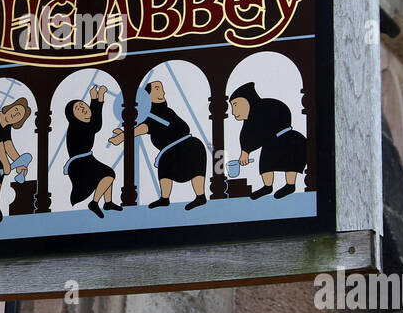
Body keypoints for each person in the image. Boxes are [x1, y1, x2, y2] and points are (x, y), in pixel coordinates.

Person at [109, 80, 208, 210]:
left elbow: (142, 128)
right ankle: (164, 198)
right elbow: (142, 128)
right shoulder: (151, 115)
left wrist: (122, 136)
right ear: (147, 95)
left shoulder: (164, 112)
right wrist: (123, 135)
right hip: (170, 152)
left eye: (161, 88)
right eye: (157, 88)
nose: (162, 92)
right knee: (165, 170)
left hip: (190, 146)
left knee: (195, 170)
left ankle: (200, 196)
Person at [229, 81, 306, 199]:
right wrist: (245, 151)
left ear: (248, 101)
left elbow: (261, 134)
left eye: (235, 105)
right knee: (266, 163)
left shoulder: (266, 108)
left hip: (289, 139)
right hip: (270, 145)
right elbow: (247, 135)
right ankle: (267, 186)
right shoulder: (249, 120)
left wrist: (247, 151)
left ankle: (290, 185)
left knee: (291, 161)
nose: (234, 112)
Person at [63, 85, 121, 218]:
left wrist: (96, 98)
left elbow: (94, 123)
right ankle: (94, 203)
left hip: (86, 160)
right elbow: (95, 125)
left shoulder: (83, 124)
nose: (83, 108)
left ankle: (108, 202)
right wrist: (97, 99)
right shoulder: (77, 127)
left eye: (82, 105)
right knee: (108, 175)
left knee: (107, 173)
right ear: (73, 116)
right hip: (80, 164)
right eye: (77, 108)